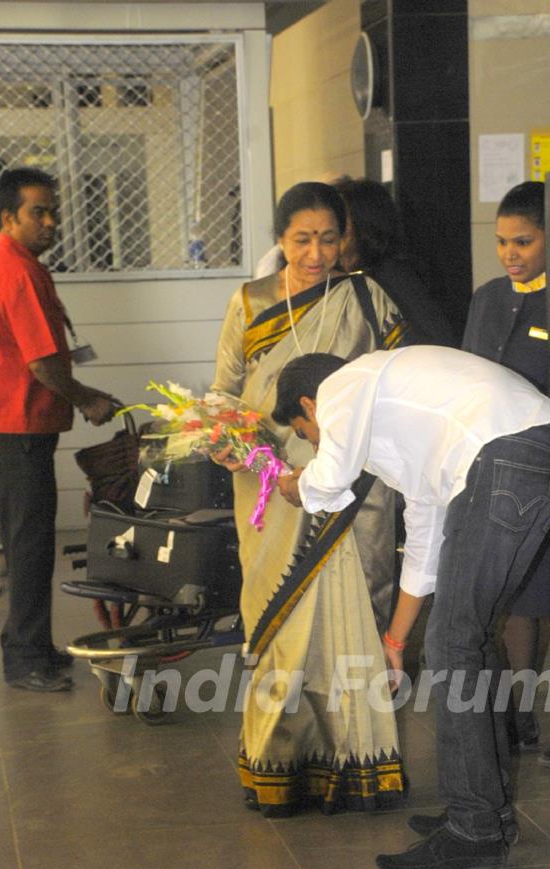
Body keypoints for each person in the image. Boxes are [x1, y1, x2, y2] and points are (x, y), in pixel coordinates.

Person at [274, 346, 550, 869]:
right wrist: (394, 643)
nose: (313, 442)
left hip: (507, 455)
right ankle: (485, 813)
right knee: (468, 640)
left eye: (304, 432)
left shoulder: (343, 384)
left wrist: (297, 486)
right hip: (521, 455)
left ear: (311, 404)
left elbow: (329, 476)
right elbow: (424, 539)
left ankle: (475, 827)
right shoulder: (413, 425)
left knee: (456, 642)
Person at [213, 180, 409, 816]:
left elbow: (397, 384)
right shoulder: (248, 302)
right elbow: (225, 393)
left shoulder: (367, 297)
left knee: (359, 614)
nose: (317, 252)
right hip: (270, 486)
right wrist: (225, 440)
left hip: (352, 484)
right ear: (280, 239)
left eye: (329, 238)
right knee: (280, 620)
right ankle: (280, 763)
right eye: (303, 239)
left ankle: (354, 763)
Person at [0, 167, 116, 692]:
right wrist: (87, 399)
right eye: (37, 212)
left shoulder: (20, 263)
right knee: (29, 544)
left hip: (16, 423)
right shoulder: (16, 270)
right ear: (8, 217)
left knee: (26, 540)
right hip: (18, 427)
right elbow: (42, 363)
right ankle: (25, 659)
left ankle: (31, 645)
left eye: (53, 211)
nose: (51, 222)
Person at [462, 182, 550, 754]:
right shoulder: (489, 297)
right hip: (498, 466)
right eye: (501, 242)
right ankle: (517, 708)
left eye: (523, 241)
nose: (510, 254)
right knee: (514, 592)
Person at [336, 178, 455, 346]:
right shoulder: (342, 275)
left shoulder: (393, 276)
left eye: (340, 218)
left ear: (363, 222)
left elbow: (436, 339)